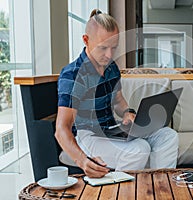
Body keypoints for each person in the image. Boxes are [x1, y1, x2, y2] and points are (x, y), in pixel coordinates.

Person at [55, 9, 179, 178]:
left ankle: (159, 186)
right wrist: (82, 160)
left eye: (114, 47)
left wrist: (128, 113)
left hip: (111, 129)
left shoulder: (111, 67)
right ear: (86, 40)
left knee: (168, 136)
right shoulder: (73, 75)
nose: (109, 55)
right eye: (103, 48)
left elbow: (118, 100)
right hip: (87, 135)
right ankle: (119, 193)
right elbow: (61, 129)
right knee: (140, 149)